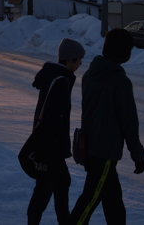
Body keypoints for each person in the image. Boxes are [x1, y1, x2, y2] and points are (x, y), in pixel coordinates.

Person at [69, 28, 144, 225]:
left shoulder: (91, 74)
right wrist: (138, 155)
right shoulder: (119, 81)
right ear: (123, 52)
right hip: (104, 152)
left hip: (90, 146)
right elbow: (129, 122)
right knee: (89, 201)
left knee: (113, 204)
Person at [27, 38, 86, 225]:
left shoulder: (54, 77)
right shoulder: (61, 81)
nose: (80, 64)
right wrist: (56, 148)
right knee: (45, 190)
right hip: (50, 147)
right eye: (78, 60)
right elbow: (53, 117)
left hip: (49, 145)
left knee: (60, 184)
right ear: (69, 61)